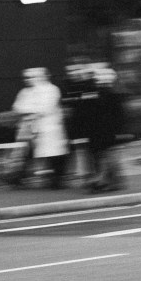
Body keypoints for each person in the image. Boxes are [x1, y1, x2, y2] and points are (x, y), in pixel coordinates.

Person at [9, 67, 70, 189]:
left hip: (49, 128)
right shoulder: (25, 92)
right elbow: (17, 107)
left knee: (54, 156)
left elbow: (46, 108)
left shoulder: (52, 90)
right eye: (26, 77)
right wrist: (33, 110)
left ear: (42, 77)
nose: (28, 80)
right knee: (28, 154)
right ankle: (19, 177)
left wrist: (30, 110)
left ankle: (56, 179)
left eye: (32, 77)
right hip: (31, 128)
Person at [87, 66, 127, 193]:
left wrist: (119, 132)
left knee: (110, 159)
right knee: (108, 159)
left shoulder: (112, 94)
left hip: (108, 132)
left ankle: (111, 182)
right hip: (104, 132)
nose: (97, 80)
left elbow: (119, 115)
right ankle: (112, 182)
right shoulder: (106, 93)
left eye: (98, 78)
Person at [61, 57, 98, 187]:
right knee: (73, 151)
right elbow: (66, 104)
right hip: (73, 125)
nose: (73, 73)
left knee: (87, 152)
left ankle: (88, 177)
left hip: (88, 124)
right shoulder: (66, 85)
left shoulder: (89, 85)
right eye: (70, 71)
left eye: (76, 70)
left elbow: (91, 104)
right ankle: (75, 177)